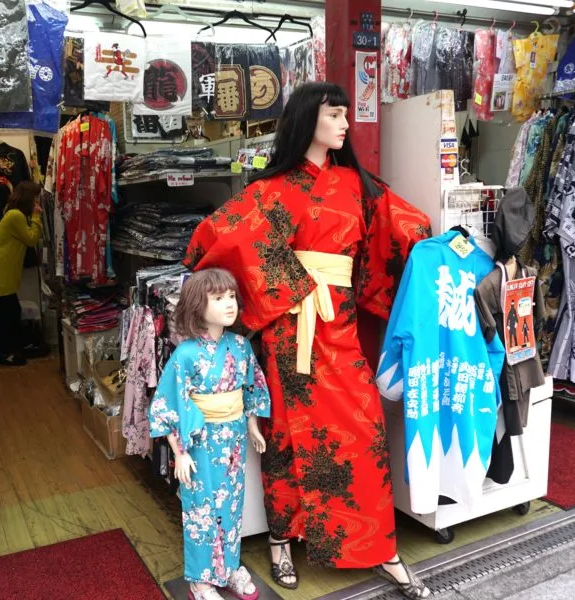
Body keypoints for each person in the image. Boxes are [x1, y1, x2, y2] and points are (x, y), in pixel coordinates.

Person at [183, 82, 433, 599]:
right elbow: (219, 237)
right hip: (287, 332)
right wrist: (294, 280)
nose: (345, 124)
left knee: (363, 431)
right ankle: (281, 538)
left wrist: (458, 252)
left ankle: (378, 545)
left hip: (338, 329)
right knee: (287, 436)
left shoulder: (357, 186)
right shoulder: (269, 190)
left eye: (345, 115)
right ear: (306, 122)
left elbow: (409, 228)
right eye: (334, 115)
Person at [149, 269, 271, 600]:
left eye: (231, 296)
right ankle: (200, 580)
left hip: (232, 438)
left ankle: (229, 567)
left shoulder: (241, 346)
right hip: (199, 442)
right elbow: (170, 402)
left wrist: (252, 426)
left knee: (231, 505)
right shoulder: (186, 354)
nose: (229, 304)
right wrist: (180, 451)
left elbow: (251, 387)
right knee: (200, 508)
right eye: (218, 298)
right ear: (196, 305)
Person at [0, 181, 43, 366]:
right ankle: (6, 353)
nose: (37, 201)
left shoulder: (12, 213)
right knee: (10, 313)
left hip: (0, 270)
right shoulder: (15, 215)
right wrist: (37, 216)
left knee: (9, 312)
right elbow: (31, 239)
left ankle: (9, 349)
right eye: (36, 197)